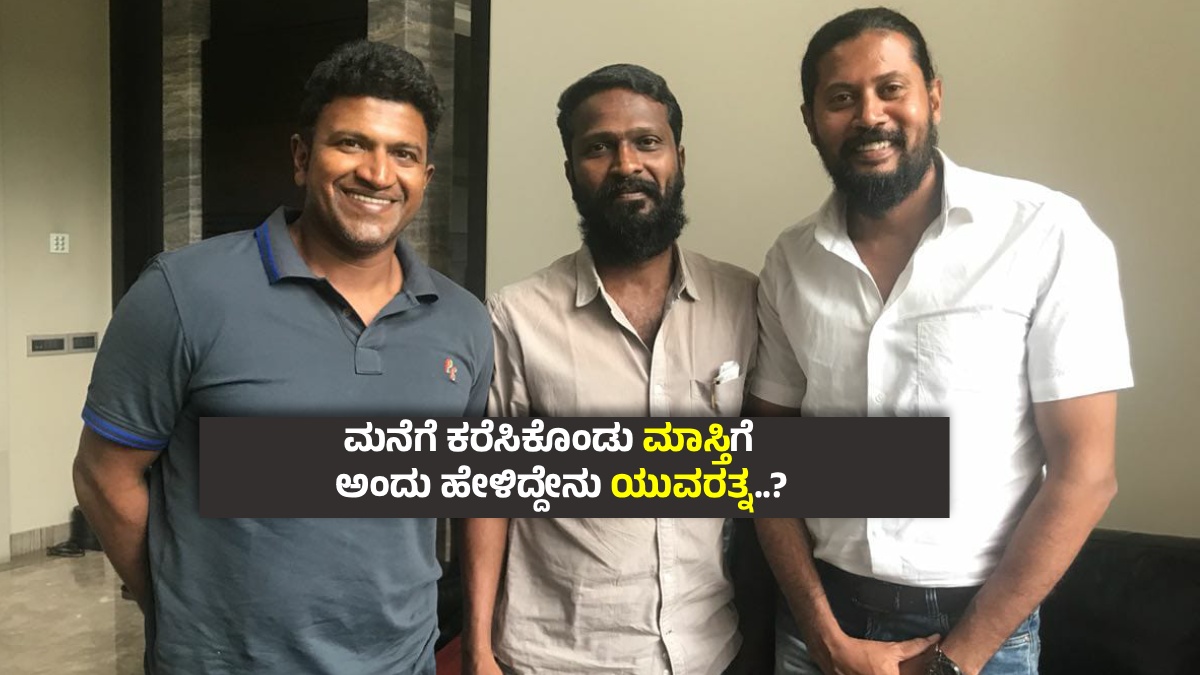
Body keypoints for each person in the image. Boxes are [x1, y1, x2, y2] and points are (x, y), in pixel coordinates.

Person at [72, 41, 492, 675]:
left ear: (424, 179)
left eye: (402, 154)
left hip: (402, 662)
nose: (377, 173)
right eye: (351, 143)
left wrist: (478, 646)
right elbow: (104, 476)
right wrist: (183, 614)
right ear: (301, 156)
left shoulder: (463, 321)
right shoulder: (183, 293)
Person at [749, 8, 1133, 675]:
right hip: (819, 624)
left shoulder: (1046, 234)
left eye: (890, 88)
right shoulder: (790, 261)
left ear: (933, 95)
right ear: (811, 120)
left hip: (982, 630)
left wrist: (955, 660)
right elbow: (765, 459)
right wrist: (823, 633)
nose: (869, 115)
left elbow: (1087, 475)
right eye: (841, 98)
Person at [462, 64, 761, 675]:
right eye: (599, 147)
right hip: (558, 657)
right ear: (571, 171)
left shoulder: (742, 300)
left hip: (709, 650)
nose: (627, 164)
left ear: (679, 158)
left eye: (647, 142)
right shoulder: (517, 316)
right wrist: (476, 648)